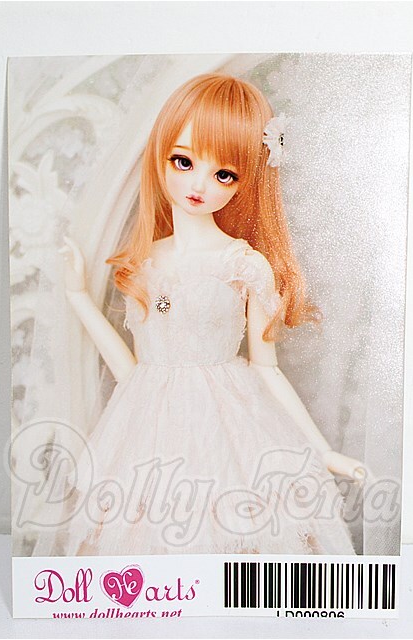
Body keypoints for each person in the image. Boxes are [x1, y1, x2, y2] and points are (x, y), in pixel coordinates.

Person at [60, 73, 365, 556]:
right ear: (161, 156)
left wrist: (321, 450)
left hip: (229, 423)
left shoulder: (243, 264)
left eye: (224, 174)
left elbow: (267, 368)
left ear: (247, 180)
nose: (199, 184)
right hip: (146, 426)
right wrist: (78, 296)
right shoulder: (144, 259)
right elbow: (133, 372)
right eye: (183, 161)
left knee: (232, 531)